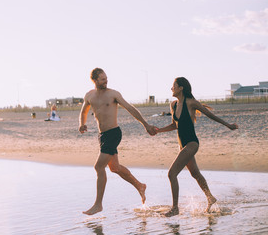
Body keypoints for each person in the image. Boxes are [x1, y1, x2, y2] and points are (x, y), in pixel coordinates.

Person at [79, 67, 157, 215]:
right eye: (102, 79)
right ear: (95, 80)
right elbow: (83, 111)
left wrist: (146, 124)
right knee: (114, 168)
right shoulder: (89, 96)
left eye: (106, 78)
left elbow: (130, 108)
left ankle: (98, 204)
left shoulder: (113, 94)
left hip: (114, 133)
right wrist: (81, 123)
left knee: (98, 167)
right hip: (102, 136)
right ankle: (140, 186)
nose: (106, 81)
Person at [156, 77, 238, 217]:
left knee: (171, 174)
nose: (171, 88)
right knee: (195, 174)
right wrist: (158, 130)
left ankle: (175, 208)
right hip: (182, 146)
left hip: (192, 143)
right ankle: (210, 198)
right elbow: (175, 125)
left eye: (173, 86)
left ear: (181, 88)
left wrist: (228, 125)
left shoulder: (191, 103)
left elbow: (210, 115)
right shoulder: (173, 105)